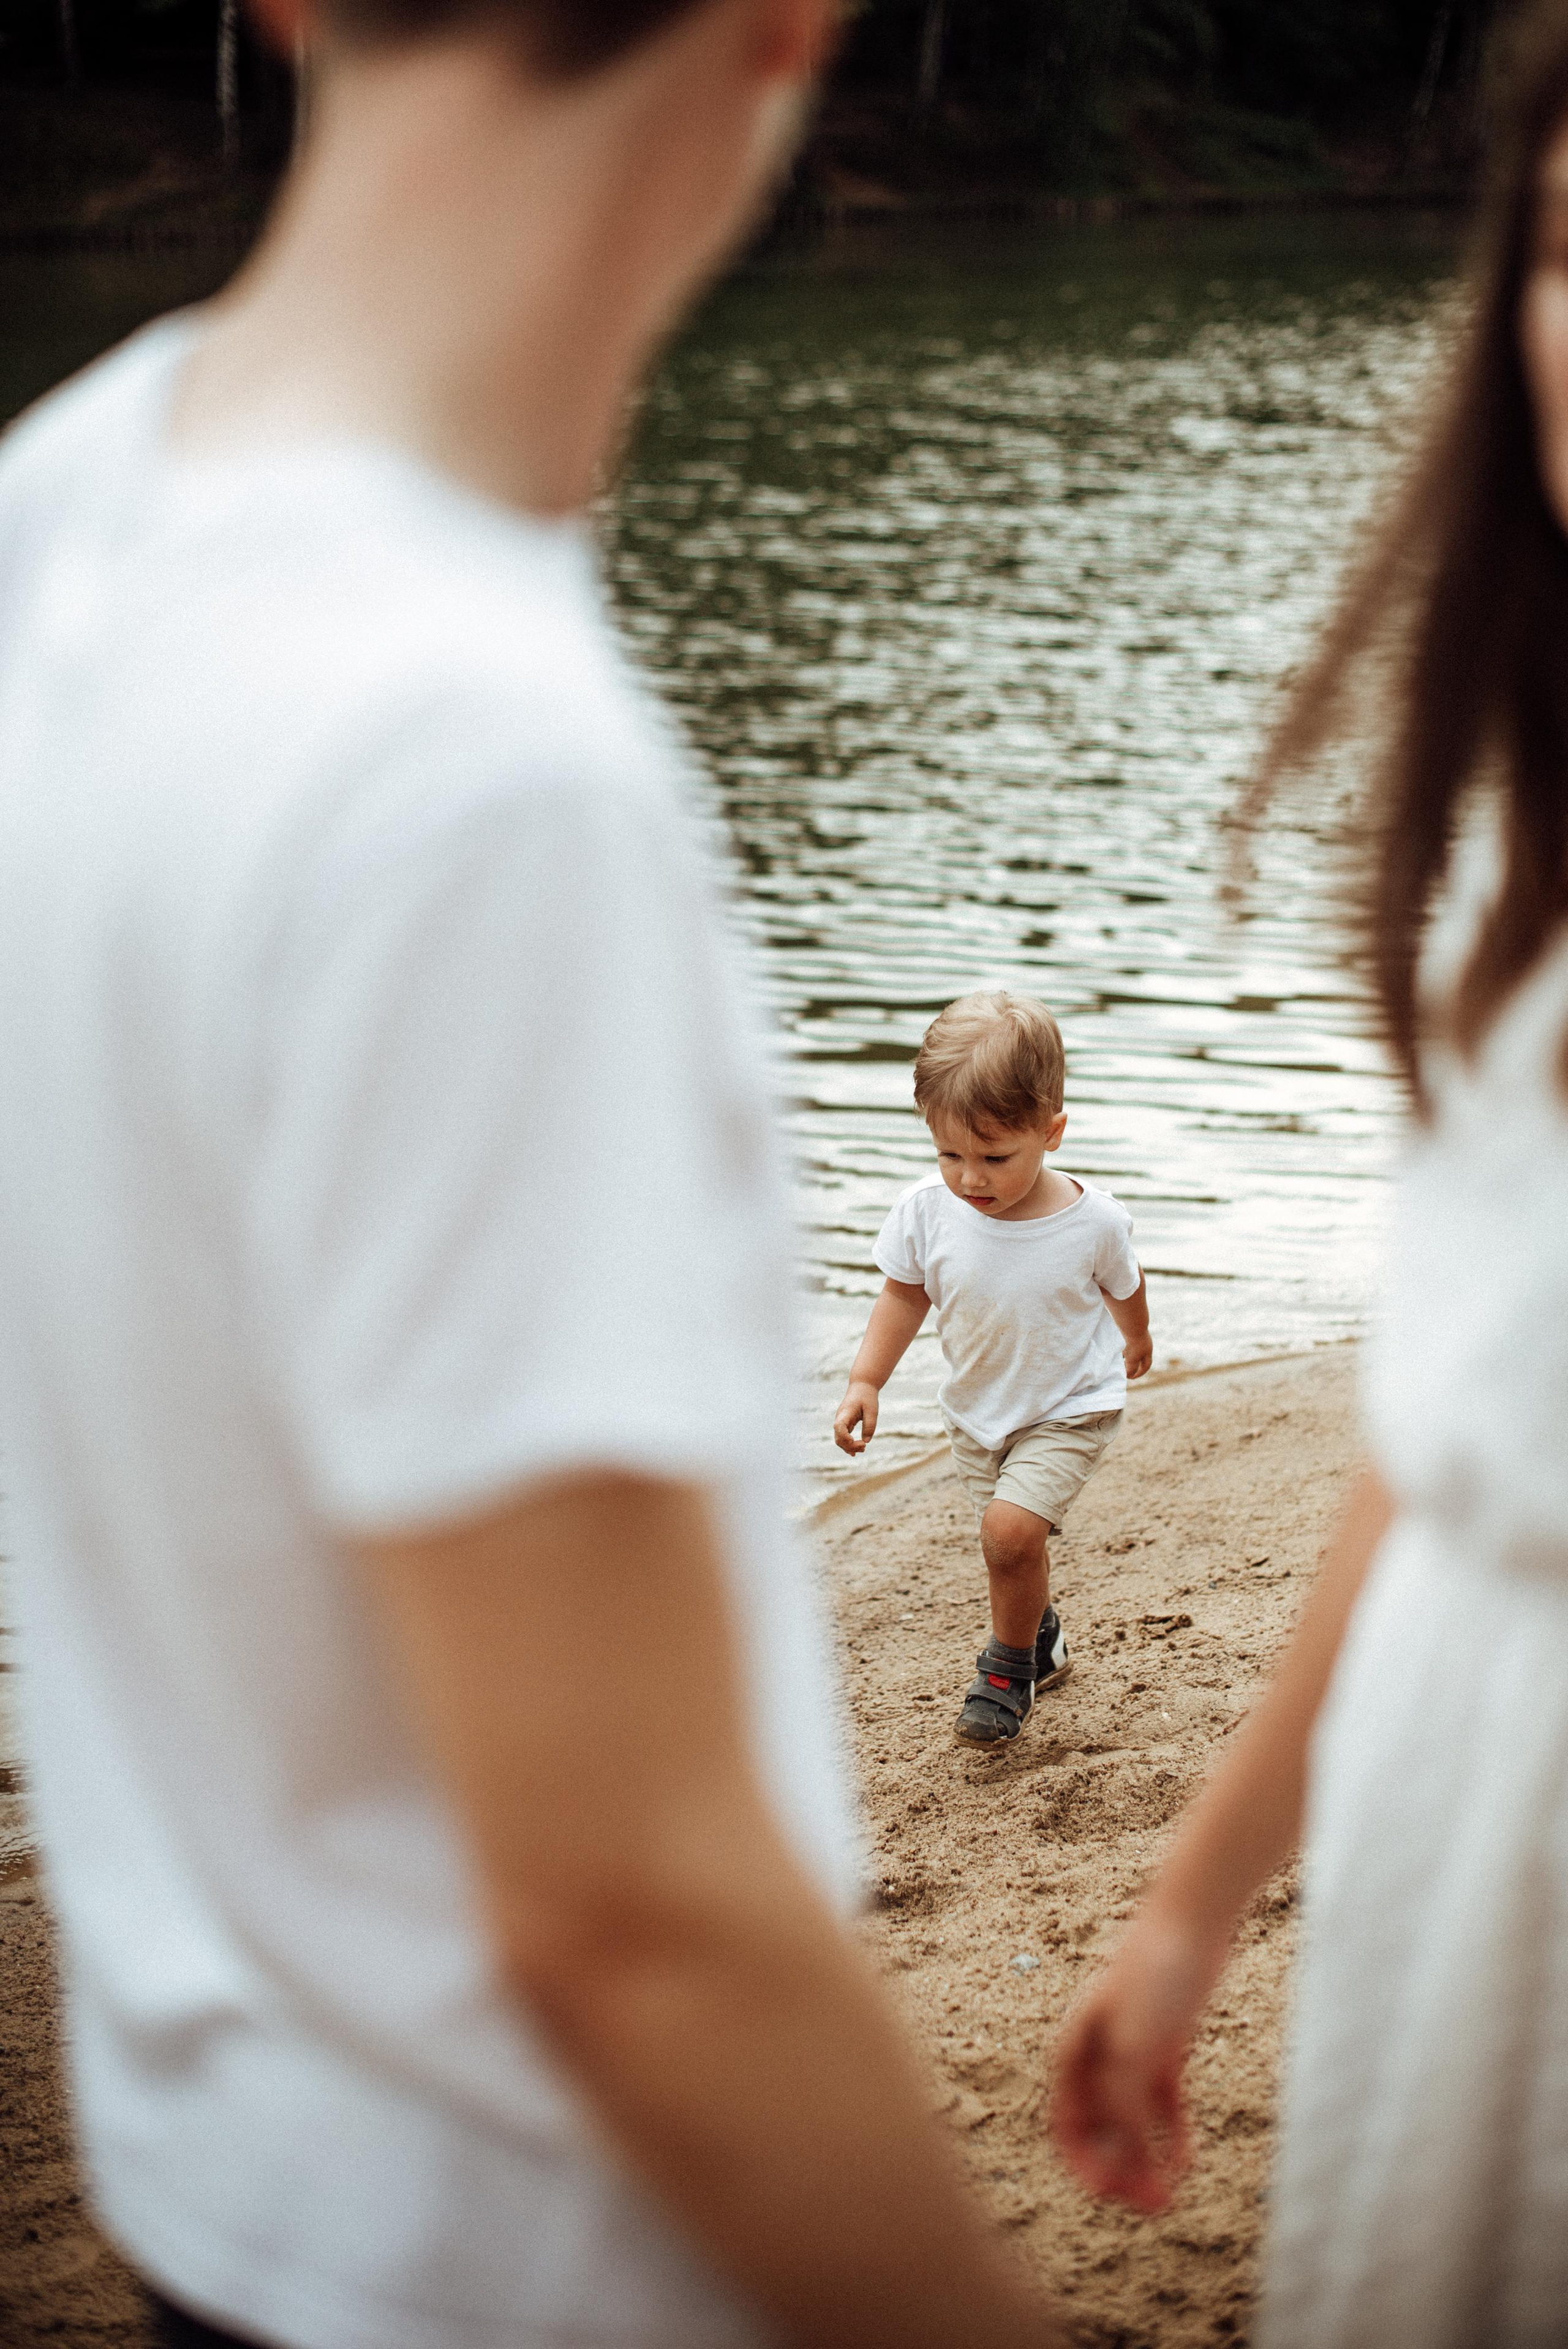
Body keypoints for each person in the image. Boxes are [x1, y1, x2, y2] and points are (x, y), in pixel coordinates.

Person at [0, 5, 1067, 2347]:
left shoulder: (63, 503)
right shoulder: (468, 771)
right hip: (524, 2262)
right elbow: (626, 1910)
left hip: (225, 2173)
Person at [1050, 5, 1568, 2341]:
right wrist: (1188, 1893)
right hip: (1454, 1836)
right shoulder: (1504, 910)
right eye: (1559, 245)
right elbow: (1440, 1443)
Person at [833, 991, 1152, 1749]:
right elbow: (903, 1296)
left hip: (1071, 1405)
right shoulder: (925, 1211)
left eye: (995, 1157)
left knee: (1009, 1537)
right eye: (949, 1155)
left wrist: (1136, 1342)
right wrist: (866, 1380)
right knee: (1010, 1545)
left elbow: (1125, 1285)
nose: (970, 1178)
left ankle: (1007, 1669)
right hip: (979, 1413)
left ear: (1051, 1132)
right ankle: (1042, 1639)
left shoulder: (1091, 1221)